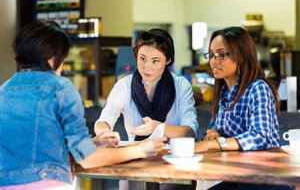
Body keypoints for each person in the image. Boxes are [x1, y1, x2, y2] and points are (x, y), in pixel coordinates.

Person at [0, 21, 166, 190]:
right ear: (51, 58)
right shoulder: (60, 88)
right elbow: (88, 159)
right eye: (63, 59)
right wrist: (140, 149)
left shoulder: (3, 90)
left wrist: (93, 142)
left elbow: (40, 148)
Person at [94, 28, 198, 190]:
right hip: (135, 160)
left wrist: (159, 127)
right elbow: (103, 120)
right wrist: (104, 133)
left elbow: (189, 132)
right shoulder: (124, 85)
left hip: (173, 163)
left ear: (168, 60)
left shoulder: (181, 85)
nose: (147, 67)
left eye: (155, 61)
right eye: (142, 59)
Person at [194, 26, 291, 190]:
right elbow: (210, 134)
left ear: (242, 56)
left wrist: (214, 143)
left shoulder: (258, 88)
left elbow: (261, 136)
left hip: (263, 180)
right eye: (211, 54)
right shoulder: (223, 93)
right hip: (237, 176)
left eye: (221, 54)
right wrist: (212, 134)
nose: (213, 60)